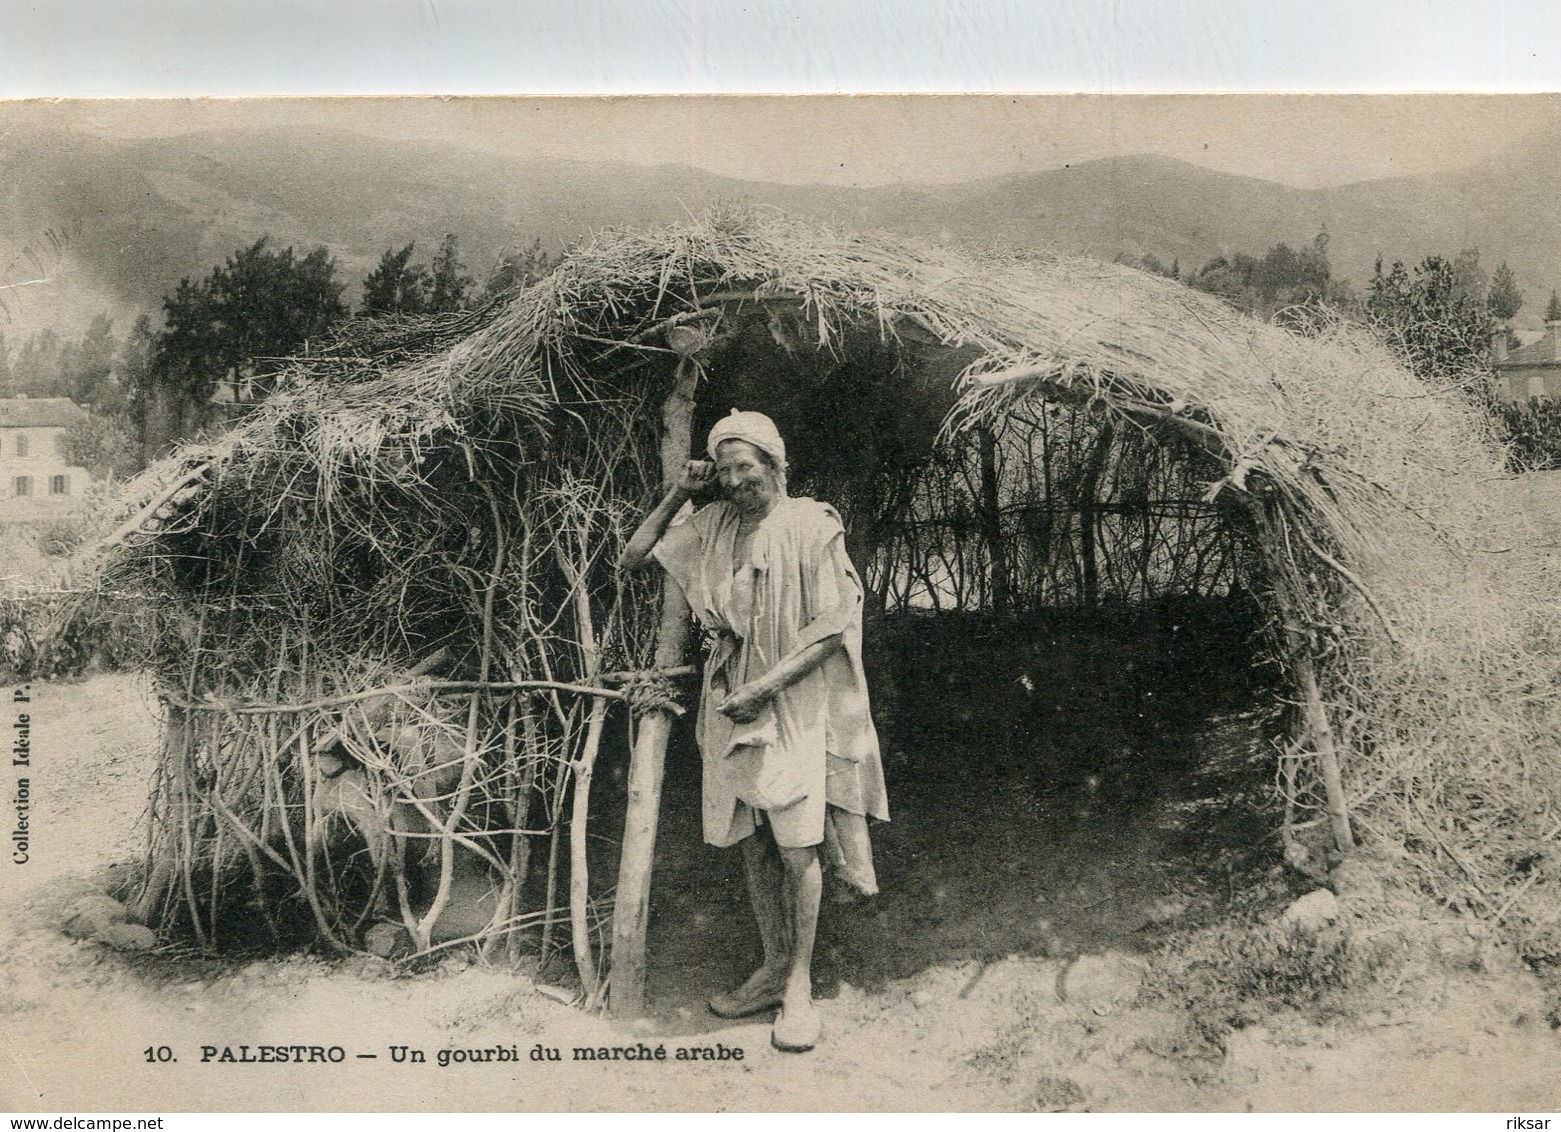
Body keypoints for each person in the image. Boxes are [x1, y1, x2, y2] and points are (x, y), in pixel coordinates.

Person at [619, 409, 889, 1052]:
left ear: (775, 466)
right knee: (752, 837)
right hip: (729, 696)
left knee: (799, 842)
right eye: (728, 469)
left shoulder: (809, 524)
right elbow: (633, 555)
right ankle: (771, 968)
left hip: (789, 696)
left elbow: (832, 625)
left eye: (750, 467)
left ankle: (798, 985)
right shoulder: (710, 525)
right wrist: (682, 492)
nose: (740, 481)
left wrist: (766, 687)